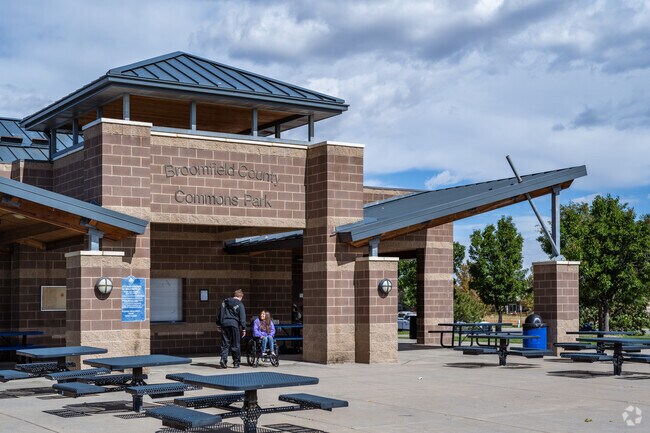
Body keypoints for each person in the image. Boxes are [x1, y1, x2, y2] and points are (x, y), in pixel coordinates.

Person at [217, 289, 246, 369]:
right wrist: (243, 328)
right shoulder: (240, 304)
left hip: (224, 324)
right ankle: (236, 363)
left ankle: (223, 359)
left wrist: (219, 324)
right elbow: (242, 317)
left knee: (224, 344)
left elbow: (220, 313)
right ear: (240, 296)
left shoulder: (224, 302)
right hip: (234, 325)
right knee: (235, 344)